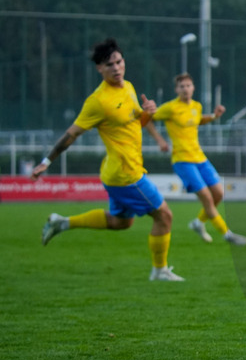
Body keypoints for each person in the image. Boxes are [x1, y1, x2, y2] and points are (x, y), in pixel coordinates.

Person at [33, 38, 184, 282]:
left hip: (116, 171)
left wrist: (147, 113)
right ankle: (160, 271)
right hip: (126, 175)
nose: (116, 68)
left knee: (120, 222)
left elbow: (136, 122)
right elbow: (71, 134)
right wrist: (47, 161)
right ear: (99, 69)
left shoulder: (128, 87)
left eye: (119, 61)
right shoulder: (98, 101)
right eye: (109, 64)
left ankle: (61, 223)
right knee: (164, 216)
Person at [151, 73, 246, 246]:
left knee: (218, 194)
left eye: (188, 85)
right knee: (207, 197)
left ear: (193, 88)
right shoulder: (170, 108)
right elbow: (147, 119)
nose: (185, 89)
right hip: (182, 160)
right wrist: (160, 140)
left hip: (200, 158)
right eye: (182, 86)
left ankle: (198, 222)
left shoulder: (197, 106)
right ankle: (227, 234)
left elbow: (197, 120)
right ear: (176, 89)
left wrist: (213, 116)